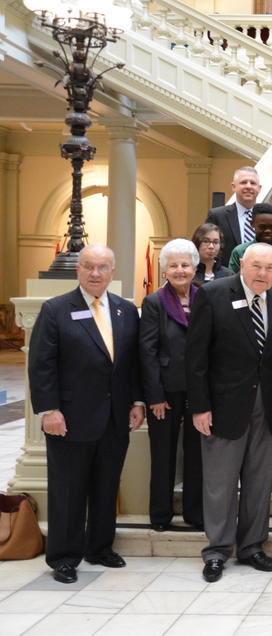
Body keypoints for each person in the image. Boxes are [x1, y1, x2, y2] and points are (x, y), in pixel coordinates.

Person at [28, 244, 144, 584]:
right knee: (68, 490)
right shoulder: (56, 310)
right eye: (89, 267)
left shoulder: (125, 310)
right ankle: (64, 556)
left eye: (103, 268)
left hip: (114, 418)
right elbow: (41, 366)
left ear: (112, 272)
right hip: (69, 419)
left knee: (106, 486)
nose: (96, 274)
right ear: (78, 270)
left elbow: (132, 363)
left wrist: (137, 402)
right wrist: (50, 410)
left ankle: (100, 547)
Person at [187, 242, 272, 583]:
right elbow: (196, 358)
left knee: (259, 481)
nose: (263, 273)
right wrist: (200, 407)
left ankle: (251, 546)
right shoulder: (213, 294)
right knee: (220, 482)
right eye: (257, 266)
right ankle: (217, 550)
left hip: (270, 406)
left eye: (270, 268)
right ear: (242, 265)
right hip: (223, 406)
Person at [139, 239, 204, 533]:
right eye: (174, 265)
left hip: (199, 392)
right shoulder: (155, 302)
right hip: (164, 393)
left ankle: (195, 512)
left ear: (194, 267)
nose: (180, 270)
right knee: (163, 455)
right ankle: (160, 515)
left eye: (185, 264)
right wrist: (154, 396)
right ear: (165, 269)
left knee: (196, 455)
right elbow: (147, 351)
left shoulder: (206, 296)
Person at [205, 167, 272, 268]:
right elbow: (208, 248)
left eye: (253, 183)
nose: (248, 186)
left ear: (259, 188)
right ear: (233, 186)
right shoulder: (217, 216)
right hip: (227, 278)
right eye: (243, 182)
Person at [228, 203, 272, 290]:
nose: (268, 230)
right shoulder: (240, 251)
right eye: (262, 227)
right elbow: (233, 283)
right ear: (252, 224)